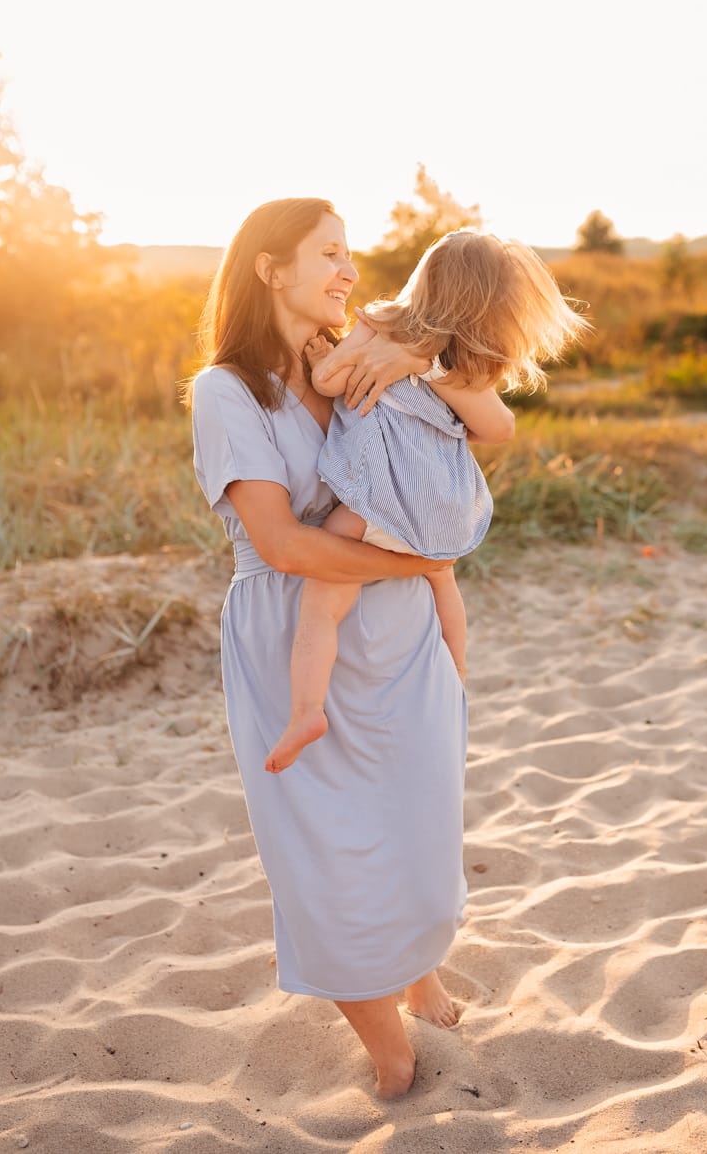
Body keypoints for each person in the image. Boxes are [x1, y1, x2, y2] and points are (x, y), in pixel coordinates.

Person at [189, 198, 520, 1099]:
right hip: (294, 628)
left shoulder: (367, 351)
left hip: (400, 630)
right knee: (326, 853)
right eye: (329, 253)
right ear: (269, 268)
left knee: (420, 823)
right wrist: (421, 558)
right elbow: (287, 545)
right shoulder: (228, 392)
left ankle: (419, 971)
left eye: (351, 252)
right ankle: (384, 1039)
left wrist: (424, 354)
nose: (348, 269)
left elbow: (493, 422)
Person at [265, 229, 588, 774]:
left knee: (324, 598)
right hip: (448, 504)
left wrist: (323, 358)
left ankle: (306, 709)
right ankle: (455, 673)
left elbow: (328, 383)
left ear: (426, 277)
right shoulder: (463, 363)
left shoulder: (378, 323)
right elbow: (494, 428)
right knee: (443, 579)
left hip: (385, 497)